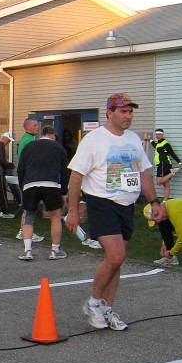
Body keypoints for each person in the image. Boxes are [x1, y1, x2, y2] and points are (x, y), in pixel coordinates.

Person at [66, 93, 160, 331]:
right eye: (123, 112)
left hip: (126, 205)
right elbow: (76, 176)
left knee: (116, 262)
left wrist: (155, 201)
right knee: (116, 256)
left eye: (130, 112)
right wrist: (73, 211)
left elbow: (144, 173)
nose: (128, 116)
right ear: (110, 113)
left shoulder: (133, 138)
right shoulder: (94, 139)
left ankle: (107, 309)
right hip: (102, 203)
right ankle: (93, 303)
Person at [16, 124, 69, 261]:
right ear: (53, 135)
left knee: (28, 216)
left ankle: (28, 250)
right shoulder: (59, 148)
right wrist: (63, 192)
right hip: (51, 184)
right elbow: (65, 172)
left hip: (30, 184)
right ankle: (55, 250)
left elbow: (20, 168)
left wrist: (23, 185)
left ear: (41, 134)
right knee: (55, 217)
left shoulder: (29, 147)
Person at [13, 118, 44, 243]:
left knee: (28, 206)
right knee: (29, 207)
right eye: (35, 125)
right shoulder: (29, 141)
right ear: (28, 127)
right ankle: (24, 232)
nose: (38, 127)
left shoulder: (28, 139)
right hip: (29, 178)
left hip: (27, 176)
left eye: (38, 125)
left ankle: (23, 231)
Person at [151, 128, 182, 200]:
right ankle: (165, 201)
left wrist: (179, 162)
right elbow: (154, 145)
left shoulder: (166, 144)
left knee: (159, 182)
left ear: (162, 135)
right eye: (156, 134)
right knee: (166, 184)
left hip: (163, 164)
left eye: (159, 134)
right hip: (162, 164)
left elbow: (172, 153)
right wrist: (150, 140)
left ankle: (173, 172)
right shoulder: (158, 144)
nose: (157, 136)